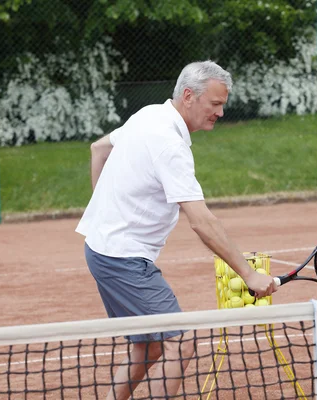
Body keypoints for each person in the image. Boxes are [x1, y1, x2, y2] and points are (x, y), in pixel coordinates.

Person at [75, 60, 278, 400]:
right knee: (179, 344)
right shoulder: (170, 144)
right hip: (123, 258)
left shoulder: (150, 114)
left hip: (103, 249)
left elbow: (99, 149)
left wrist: (103, 214)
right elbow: (201, 220)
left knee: (149, 348)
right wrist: (248, 273)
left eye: (222, 104)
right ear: (189, 96)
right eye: (215, 104)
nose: (221, 112)